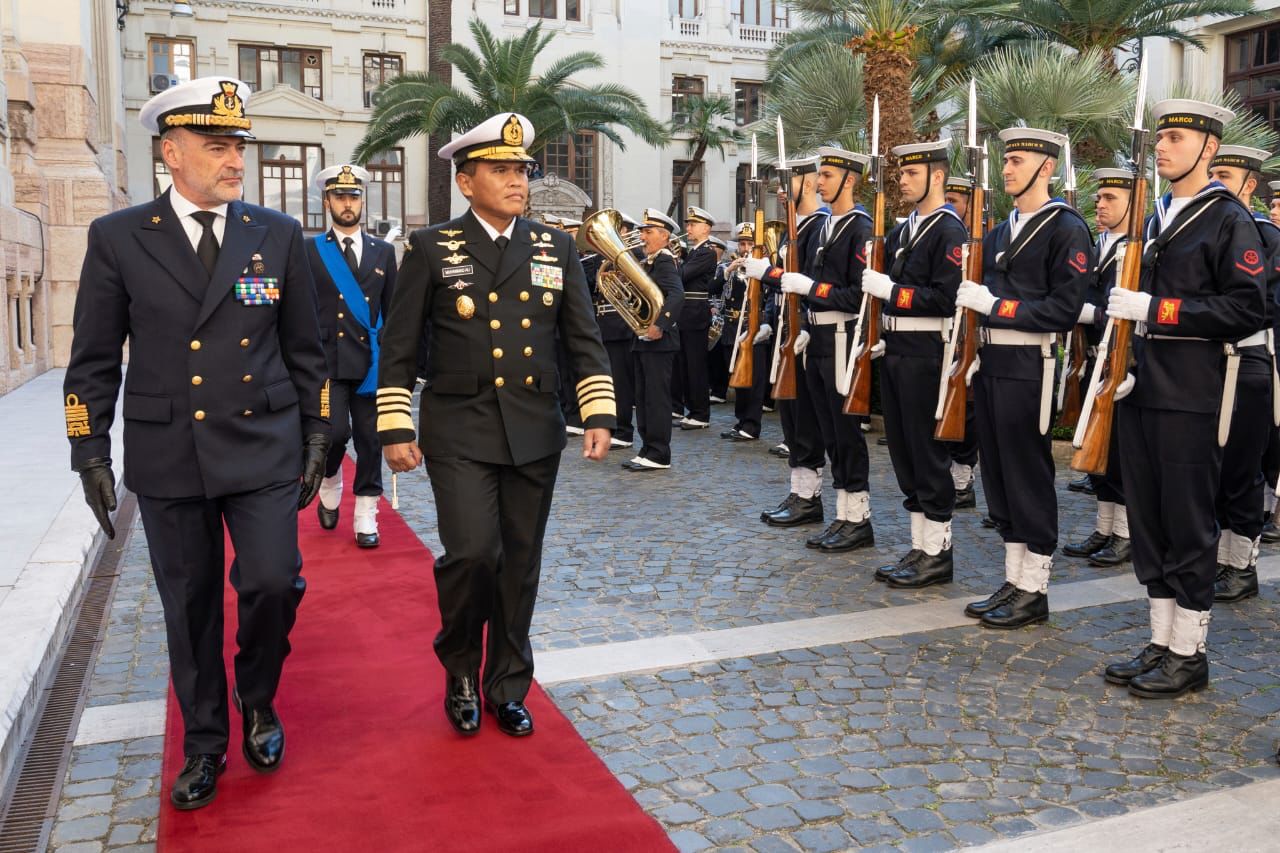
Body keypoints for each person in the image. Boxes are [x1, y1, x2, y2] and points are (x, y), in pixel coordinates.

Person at [64, 77, 329, 809]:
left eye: (238, 146)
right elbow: (90, 359)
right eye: (217, 147)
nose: (235, 160)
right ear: (171, 153)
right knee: (188, 607)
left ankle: (259, 696)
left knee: (274, 579)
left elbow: (307, 349)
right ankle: (206, 741)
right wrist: (87, 449)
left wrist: (319, 432)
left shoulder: (275, 233)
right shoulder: (118, 238)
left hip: (263, 442)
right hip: (170, 450)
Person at [378, 113, 617, 735]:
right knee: (472, 555)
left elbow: (582, 337)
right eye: (502, 170)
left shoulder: (554, 246)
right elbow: (399, 346)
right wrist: (396, 425)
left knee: (519, 562)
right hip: (459, 427)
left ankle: (507, 680)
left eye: (523, 170)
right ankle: (460, 666)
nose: (517, 181)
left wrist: (597, 410)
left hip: (534, 428)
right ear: (466, 181)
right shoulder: (432, 249)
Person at [1104, 99, 1264, 698]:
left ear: (1209, 149)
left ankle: (1190, 650)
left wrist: (1157, 311)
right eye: (1161, 139)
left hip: (1194, 391)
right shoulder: (1154, 218)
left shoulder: (1227, 218)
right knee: (1149, 520)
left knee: (1188, 522)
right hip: (1143, 384)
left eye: (1176, 138)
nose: (1164, 148)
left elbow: (1246, 307)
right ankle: (1161, 638)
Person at [955, 127, 1092, 629]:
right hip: (991, 363)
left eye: (1016, 160)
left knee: (1027, 474)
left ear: (1045, 168)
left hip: (1031, 365)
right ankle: (1014, 580)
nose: (1006, 168)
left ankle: (1035, 587)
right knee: (998, 474)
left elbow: (1063, 308)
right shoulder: (996, 231)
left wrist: (996, 305)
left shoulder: (1066, 228)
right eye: (1006, 160)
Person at [748, 147, 876, 552]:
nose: (820, 183)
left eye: (825, 176)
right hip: (816, 335)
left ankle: (856, 516)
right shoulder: (826, 228)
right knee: (823, 427)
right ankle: (839, 511)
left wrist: (802, 287)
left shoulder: (859, 226)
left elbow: (857, 293)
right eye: (817, 176)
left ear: (849, 179)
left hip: (840, 337)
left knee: (843, 431)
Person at [864, 141, 967, 588]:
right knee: (904, 452)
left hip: (928, 349)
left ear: (937, 176)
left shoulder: (949, 231)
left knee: (926, 453)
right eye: (901, 174)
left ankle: (938, 552)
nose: (902, 180)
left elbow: (946, 298)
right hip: (899, 349)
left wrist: (891, 292)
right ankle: (919, 546)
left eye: (911, 174)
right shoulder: (906, 230)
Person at [308, 164, 398, 548]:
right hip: (326, 362)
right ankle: (330, 479)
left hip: (370, 364)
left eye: (354, 196)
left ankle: (365, 513)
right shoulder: (309, 250)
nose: (348, 203)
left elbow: (392, 311)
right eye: (340, 196)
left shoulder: (383, 251)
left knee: (370, 439)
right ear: (327, 200)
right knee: (333, 435)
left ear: (363, 200)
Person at [1205, 145, 1277, 603]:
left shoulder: (1268, 237)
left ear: (1250, 184)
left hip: (1248, 359)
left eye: (1225, 174)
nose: (1215, 181)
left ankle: (1241, 564)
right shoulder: (1204, 228)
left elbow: (1263, 305)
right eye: (1212, 172)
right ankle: (1217, 555)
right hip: (1208, 362)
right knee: (1211, 467)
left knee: (1243, 469)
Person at [1062, 168, 1134, 567]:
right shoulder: (1098, 245)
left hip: (1120, 362)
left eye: (1110, 199)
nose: (1101, 205)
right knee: (1100, 453)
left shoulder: (1139, 248)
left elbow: (1132, 311)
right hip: (1091, 361)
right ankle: (1105, 528)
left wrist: (1093, 314)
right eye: (1099, 199)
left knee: (1120, 453)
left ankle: (1125, 533)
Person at [761, 156, 829, 527]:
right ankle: (800, 490)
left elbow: (803, 280)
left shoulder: (818, 227)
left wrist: (768, 272)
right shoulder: (795, 227)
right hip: (788, 327)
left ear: (810, 181)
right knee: (790, 414)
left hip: (806, 329)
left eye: (790, 181)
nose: (782, 190)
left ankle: (810, 496)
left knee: (805, 417)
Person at [624, 208, 685, 470]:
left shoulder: (663, 260)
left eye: (648, 232)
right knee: (643, 396)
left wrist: (660, 324)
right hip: (644, 339)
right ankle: (647, 447)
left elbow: (676, 295)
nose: (642, 237)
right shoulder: (649, 261)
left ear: (664, 236)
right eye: (642, 231)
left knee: (656, 398)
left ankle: (659, 452)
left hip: (659, 340)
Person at [942, 175, 980, 509]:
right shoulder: (947, 235)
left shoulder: (979, 240)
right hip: (947, 328)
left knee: (968, 407)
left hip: (972, 330)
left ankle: (963, 479)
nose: (949, 204)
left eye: (955, 199)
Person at [673, 206, 718, 430]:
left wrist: (669, 263)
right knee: (685, 365)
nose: (687, 228)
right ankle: (691, 410)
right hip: (686, 314)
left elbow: (682, 275)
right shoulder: (693, 252)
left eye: (692, 225)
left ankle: (701, 413)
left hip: (695, 314)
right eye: (688, 224)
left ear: (706, 228)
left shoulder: (707, 252)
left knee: (696, 365)